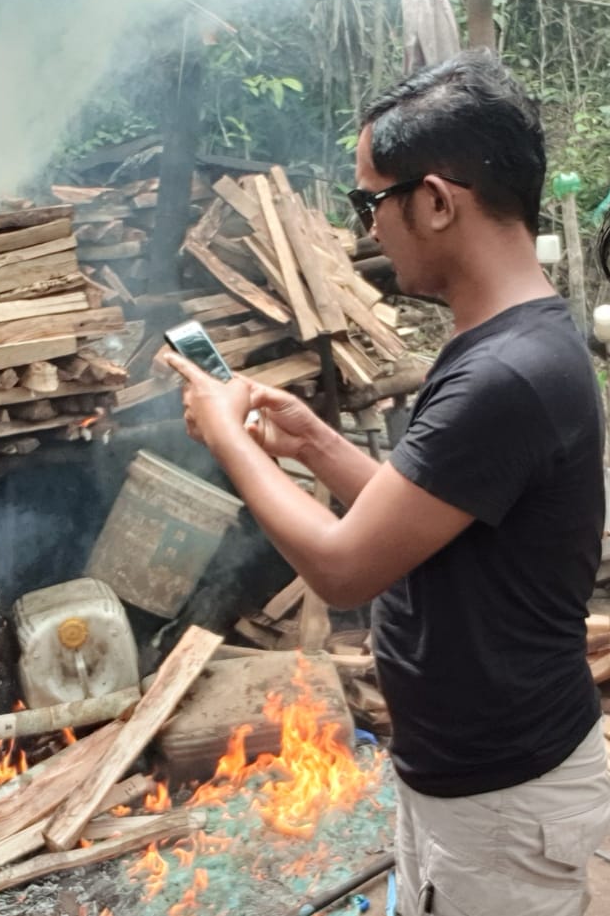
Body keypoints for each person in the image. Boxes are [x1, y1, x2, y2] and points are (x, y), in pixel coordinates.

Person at [163, 50, 610, 915]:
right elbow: (437, 517)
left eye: (372, 201)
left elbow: (341, 566)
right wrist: (317, 444)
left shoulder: (503, 376)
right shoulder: (509, 345)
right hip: (469, 777)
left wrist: (230, 439)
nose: (366, 227)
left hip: (499, 795)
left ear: (437, 201)